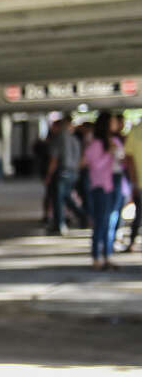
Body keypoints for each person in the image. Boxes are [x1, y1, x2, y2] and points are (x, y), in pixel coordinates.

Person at [82, 112, 126, 271]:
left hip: (116, 182)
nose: (116, 124)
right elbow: (92, 165)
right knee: (100, 221)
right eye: (113, 121)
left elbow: (123, 161)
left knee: (111, 221)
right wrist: (108, 153)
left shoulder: (115, 141)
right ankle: (96, 257)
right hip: (100, 185)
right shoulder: (96, 144)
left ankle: (107, 255)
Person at [45, 116, 85, 235]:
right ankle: (83, 215)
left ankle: (59, 224)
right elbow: (81, 158)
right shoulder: (75, 139)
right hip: (73, 172)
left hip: (62, 171)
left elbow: (54, 158)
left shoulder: (59, 138)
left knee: (58, 198)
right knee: (67, 196)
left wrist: (49, 174)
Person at [122, 120, 142, 253]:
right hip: (139, 181)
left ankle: (132, 242)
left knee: (139, 213)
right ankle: (132, 241)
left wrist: (133, 179)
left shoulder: (135, 131)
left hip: (139, 181)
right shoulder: (135, 131)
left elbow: (128, 158)